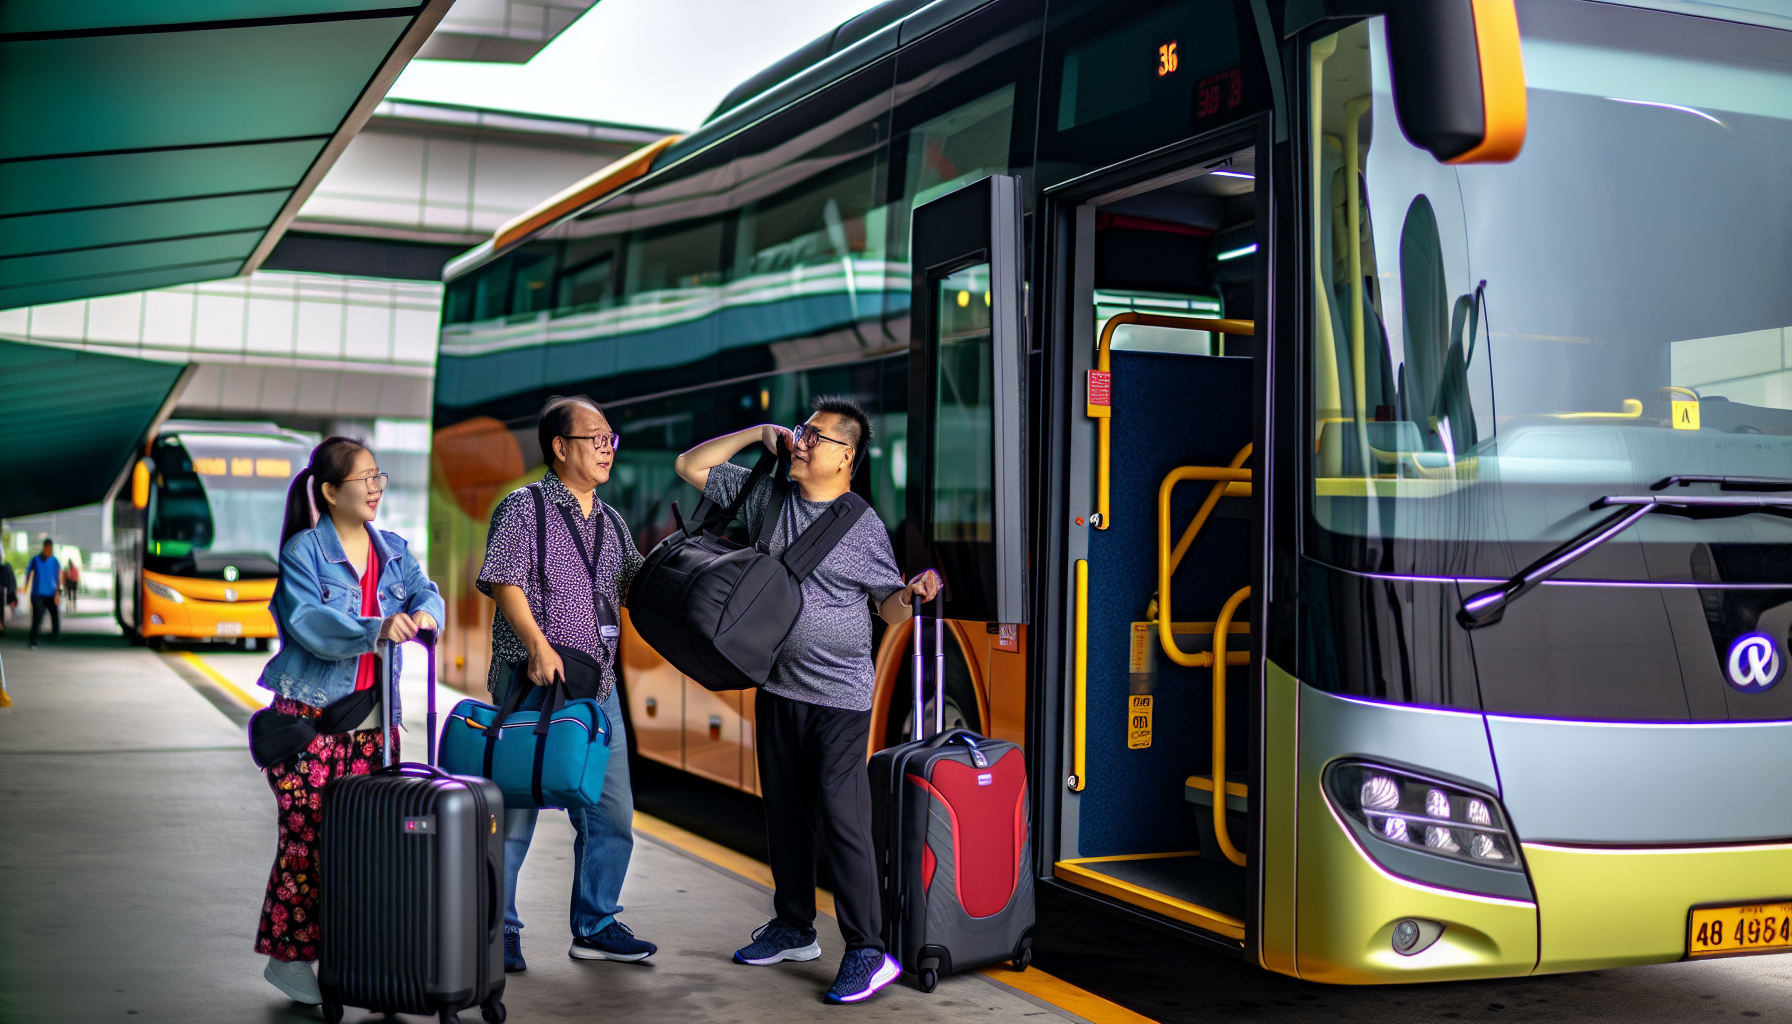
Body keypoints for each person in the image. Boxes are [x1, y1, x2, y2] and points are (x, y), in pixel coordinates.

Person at [674, 396, 941, 1005]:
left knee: (842, 818)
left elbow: (888, 606)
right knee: (786, 813)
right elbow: (690, 467)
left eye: (815, 436)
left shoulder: (860, 523)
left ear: (847, 456)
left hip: (839, 699)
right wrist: (758, 431)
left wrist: (914, 594)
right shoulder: (770, 494)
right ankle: (794, 927)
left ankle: (868, 950)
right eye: (800, 431)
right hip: (775, 684)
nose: (802, 441)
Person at [252, 436, 444, 1006]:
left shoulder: (394, 550)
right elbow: (307, 621)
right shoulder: (303, 553)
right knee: (307, 842)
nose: (376, 489)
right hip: (311, 721)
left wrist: (425, 616)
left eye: (379, 478)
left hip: (373, 728)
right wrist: (376, 627)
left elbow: (426, 591)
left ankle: (358, 952)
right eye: (365, 479)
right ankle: (289, 961)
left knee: (365, 845)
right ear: (331, 491)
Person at [477, 394, 654, 973]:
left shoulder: (610, 520)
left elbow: (636, 584)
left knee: (613, 812)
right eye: (594, 437)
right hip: (535, 678)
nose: (607, 447)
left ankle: (595, 924)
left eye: (611, 438)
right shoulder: (524, 507)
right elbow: (506, 582)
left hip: (595, 686)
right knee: (516, 814)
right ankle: (496, 929)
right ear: (560, 447)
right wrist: (537, 646)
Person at [24, 538, 61, 649]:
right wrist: (25, 588)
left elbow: (58, 576)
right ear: (43, 548)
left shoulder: (55, 561)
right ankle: (32, 640)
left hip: (50, 594)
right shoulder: (36, 560)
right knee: (37, 618)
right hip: (37, 594)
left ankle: (55, 635)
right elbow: (28, 573)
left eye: (50, 549)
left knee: (54, 614)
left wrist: (58, 592)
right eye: (46, 548)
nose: (48, 550)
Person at [0, 560, 17, 634]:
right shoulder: (4, 568)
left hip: (1, 592)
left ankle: (1, 625)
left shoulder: (4, 568)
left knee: (0, 609)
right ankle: (1, 625)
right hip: (1, 592)